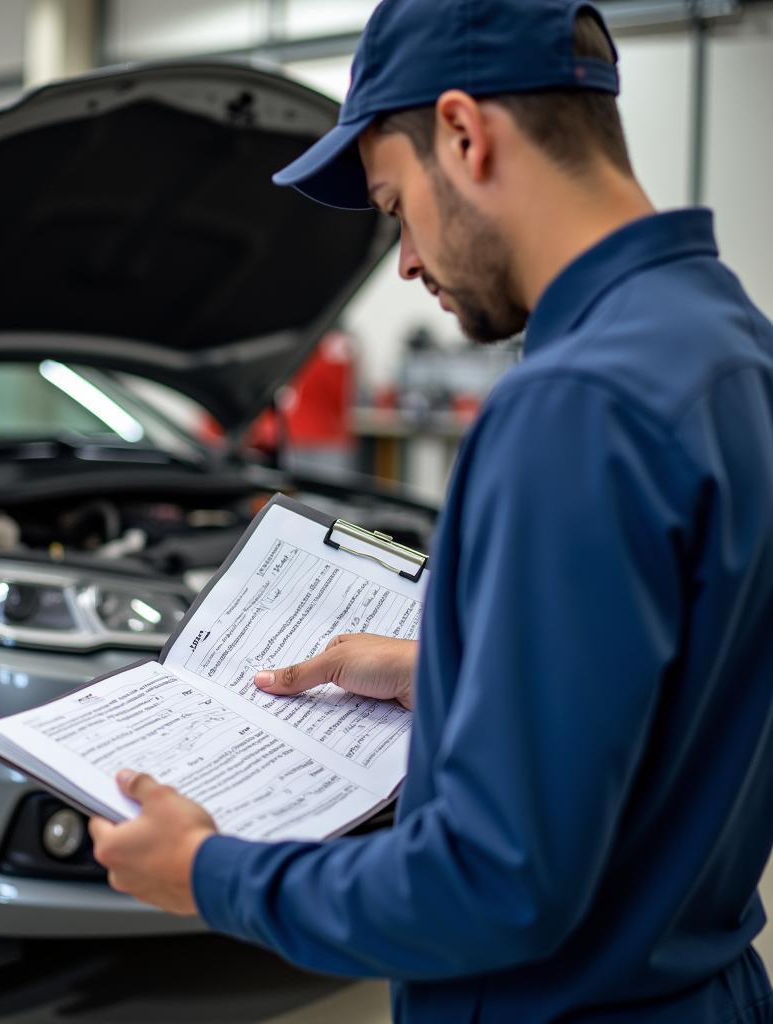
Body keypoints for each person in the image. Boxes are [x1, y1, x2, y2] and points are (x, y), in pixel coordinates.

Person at [88, 1, 773, 1020]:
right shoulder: (729, 345)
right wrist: (449, 673)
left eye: (393, 203)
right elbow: (679, 678)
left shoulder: (572, 407)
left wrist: (208, 871)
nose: (405, 260)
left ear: (463, 132)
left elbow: (489, 885)